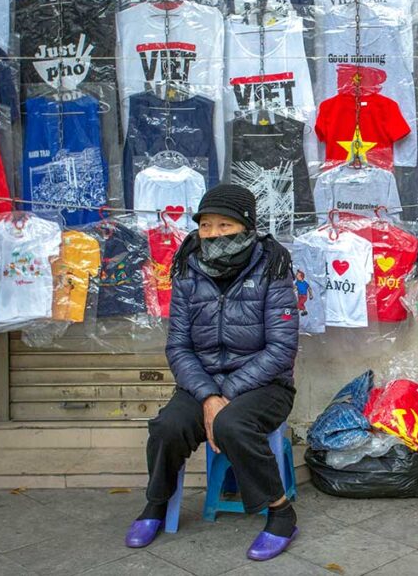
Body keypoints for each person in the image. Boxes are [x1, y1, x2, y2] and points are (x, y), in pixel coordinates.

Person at [124, 184, 301, 561]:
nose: (214, 234)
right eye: (206, 226)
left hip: (265, 383)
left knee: (232, 424)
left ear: (247, 226)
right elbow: (178, 346)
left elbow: (281, 349)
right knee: (167, 426)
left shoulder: (273, 266)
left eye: (225, 225)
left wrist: (227, 393)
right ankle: (156, 503)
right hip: (202, 382)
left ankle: (281, 513)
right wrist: (207, 395)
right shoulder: (188, 266)